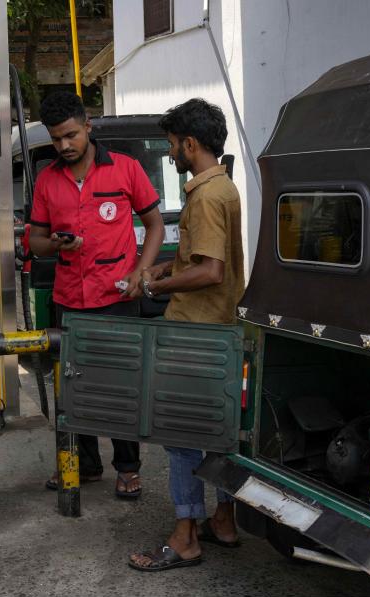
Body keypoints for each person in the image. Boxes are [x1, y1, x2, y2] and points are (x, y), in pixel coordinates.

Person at [126, 98, 245, 571]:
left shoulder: (207, 196)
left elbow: (211, 271)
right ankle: (224, 520)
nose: (171, 154)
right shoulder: (224, 188)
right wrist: (163, 266)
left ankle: (185, 534)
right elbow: (200, 261)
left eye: (173, 146)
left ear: (190, 144)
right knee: (219, 431)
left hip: (197, 331)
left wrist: (157, 282)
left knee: (180, 436)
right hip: (220, 328)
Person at [28, 91, 165, 499]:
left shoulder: (126, 169)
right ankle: (85, 465)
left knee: (121, 385)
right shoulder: (48, 180)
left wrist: (141, 271)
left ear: (88, 127)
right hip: (70, 298)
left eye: (70, 135)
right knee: (74, 385)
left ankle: (128, 468)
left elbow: (155, 225)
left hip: (118, 297)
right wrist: (55, 245)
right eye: (56, 139)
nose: (64, 145)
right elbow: (35, 241)